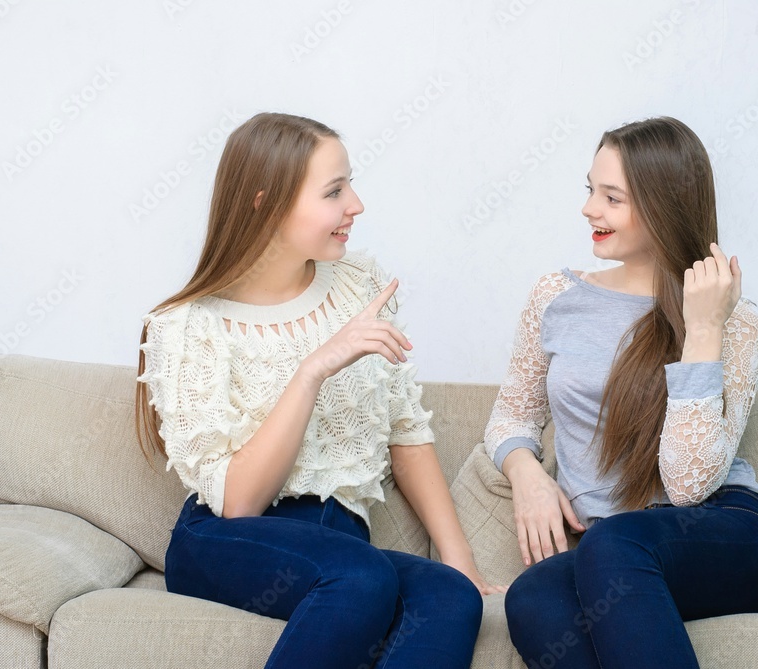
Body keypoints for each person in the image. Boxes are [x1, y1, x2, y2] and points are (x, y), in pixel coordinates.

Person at [135, 112, 495, 669]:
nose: (356, 204)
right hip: (230, 542)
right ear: (266, 203)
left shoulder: (360, 286)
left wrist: (458, 557)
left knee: (450, 595)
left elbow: (406, 431)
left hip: (340, 543)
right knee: (360, 574)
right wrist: (313, 369)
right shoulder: (187, 326)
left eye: (349, 183)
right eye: (334, 191)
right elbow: (239, 504)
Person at [487, 116, 758, 668]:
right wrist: (526, 473)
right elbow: (512, 415)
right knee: (531, 597)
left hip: (721, 533)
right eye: (590, 190)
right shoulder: (556, 296)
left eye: (612, 198)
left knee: (615, 545)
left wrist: (702, 332)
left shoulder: (734, 321)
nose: (588, 210)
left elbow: (690, 483)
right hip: (612, 553)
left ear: (662, 206)